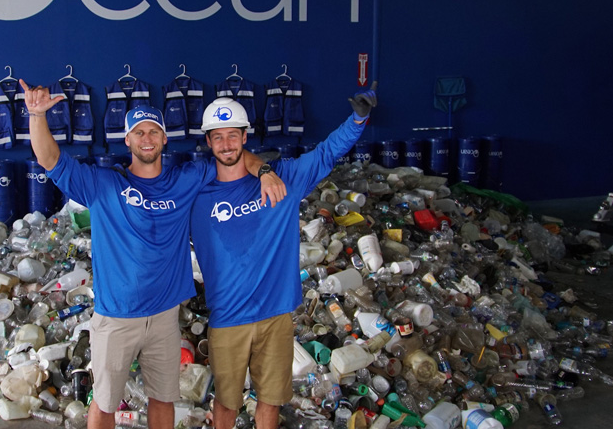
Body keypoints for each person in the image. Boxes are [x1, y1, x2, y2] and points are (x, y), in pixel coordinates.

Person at [19, 79, 286, 429]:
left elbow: (232, 155)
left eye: (153, 131)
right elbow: (49, 158)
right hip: (116, 317)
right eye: (139, 132)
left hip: (164, 318)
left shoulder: (186, 178)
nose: (147, 138)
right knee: (104, 403)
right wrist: (36, 115)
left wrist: (265, 172)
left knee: (164, 400)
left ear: (164, 139)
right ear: (127, 139)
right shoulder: (103, 184)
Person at [189, 82, 378, 429]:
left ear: (245, 137)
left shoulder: (284, 180)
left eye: (233, 135)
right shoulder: (196, 193)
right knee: (226, 408)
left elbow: (326, 153)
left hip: (275, 316)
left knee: (270, 403)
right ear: (208, 142)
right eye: (218, 137)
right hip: (227, 320)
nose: (226, 144)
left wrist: (357, 119)